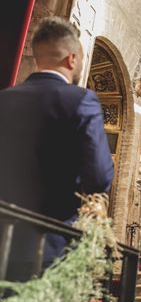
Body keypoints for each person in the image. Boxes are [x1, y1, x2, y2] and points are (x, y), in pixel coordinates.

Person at [0, 17, 114, 279]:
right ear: (72, 59)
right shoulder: (80, 100)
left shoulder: (4, 99)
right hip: (49, 243)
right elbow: (99, 177)